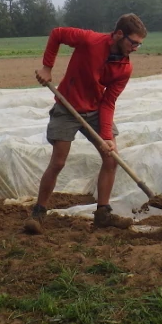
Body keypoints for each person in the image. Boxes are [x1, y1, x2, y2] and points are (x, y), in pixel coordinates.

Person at [27, 13, 147, 230]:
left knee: (111, 158)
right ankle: (38, 213)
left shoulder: (125, 68)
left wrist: (107, 138)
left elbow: (109, 102)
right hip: (67, 107)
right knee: (58, 162)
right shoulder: (90, 40)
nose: (136, 48)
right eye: (134, 42)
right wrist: (47, 67)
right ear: (119, 34)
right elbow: (57, 34)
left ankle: (103, 213)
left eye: (139, 44)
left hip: (95, 110)